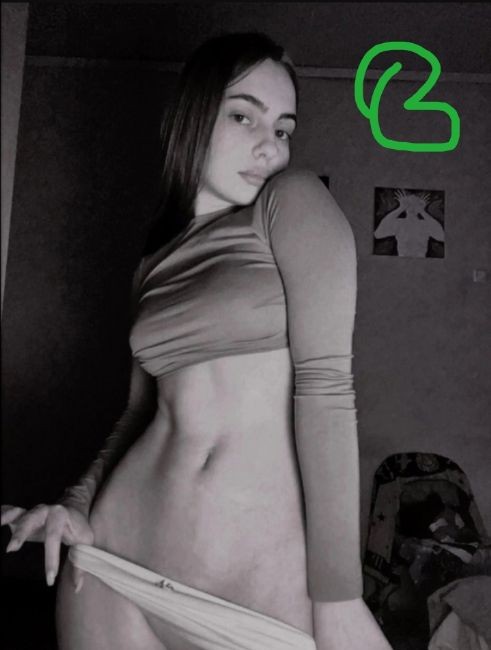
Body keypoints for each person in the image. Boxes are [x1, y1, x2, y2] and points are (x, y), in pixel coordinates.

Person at [2, 32, 392, 650]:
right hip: (115, 563)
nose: (270, 145)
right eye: (243, 116)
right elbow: (138, 415)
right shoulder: (151, 262)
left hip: (257, 590)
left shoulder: (293, 203)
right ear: (193, 117)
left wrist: (339, 595)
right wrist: (75, 503)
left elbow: (326, 388)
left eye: (283, 129)